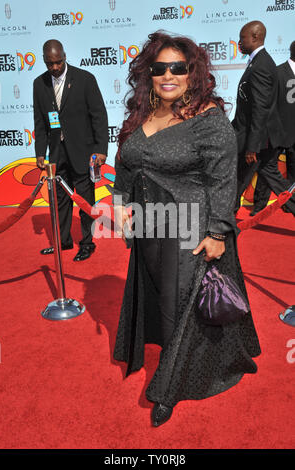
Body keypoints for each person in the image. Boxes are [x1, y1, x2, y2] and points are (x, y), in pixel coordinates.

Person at [111, 31, 261, 427]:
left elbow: (223, 181)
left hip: (190, 231)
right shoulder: (143, 114)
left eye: (178, 67)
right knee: (161, 299)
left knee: (182, 306)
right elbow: (126, 163)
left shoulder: (207, 119)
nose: (168, 75)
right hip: (149, 227)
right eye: (160, 68)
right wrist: (120, 201)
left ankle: (168, 388)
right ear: (149, 74)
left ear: (193, 73)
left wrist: (217, 232)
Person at [33, 40, 109, 261]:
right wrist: (40, 152)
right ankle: (63, 241)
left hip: (83, 151)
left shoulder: (85, 79)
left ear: (65, 56)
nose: (55, 67)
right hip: (57, 153)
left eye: (58, 62)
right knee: (59, 201)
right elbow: (40, 121)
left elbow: (99, 116)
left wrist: (101, 149)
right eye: (50, 63)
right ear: (44, 60)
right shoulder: (39, 84)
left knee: (85, 200)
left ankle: (87, 243)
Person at [232, 21, 295, 216]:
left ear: (255, 37)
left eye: (242, 38)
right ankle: (226, 222)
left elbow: (261, 107)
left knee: (240, 181)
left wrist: (252, 146)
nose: (239, 42)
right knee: (272, 179)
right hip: (260, 139)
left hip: (258, 141)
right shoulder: (259, 61)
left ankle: (224, 225)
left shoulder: (261, 65)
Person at [253, 40, 295, 213]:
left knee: (293, 169)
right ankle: (259, 205)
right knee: (267, 167)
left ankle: (289, 203)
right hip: (278, 130)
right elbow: (269, 104)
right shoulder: (278, 72)